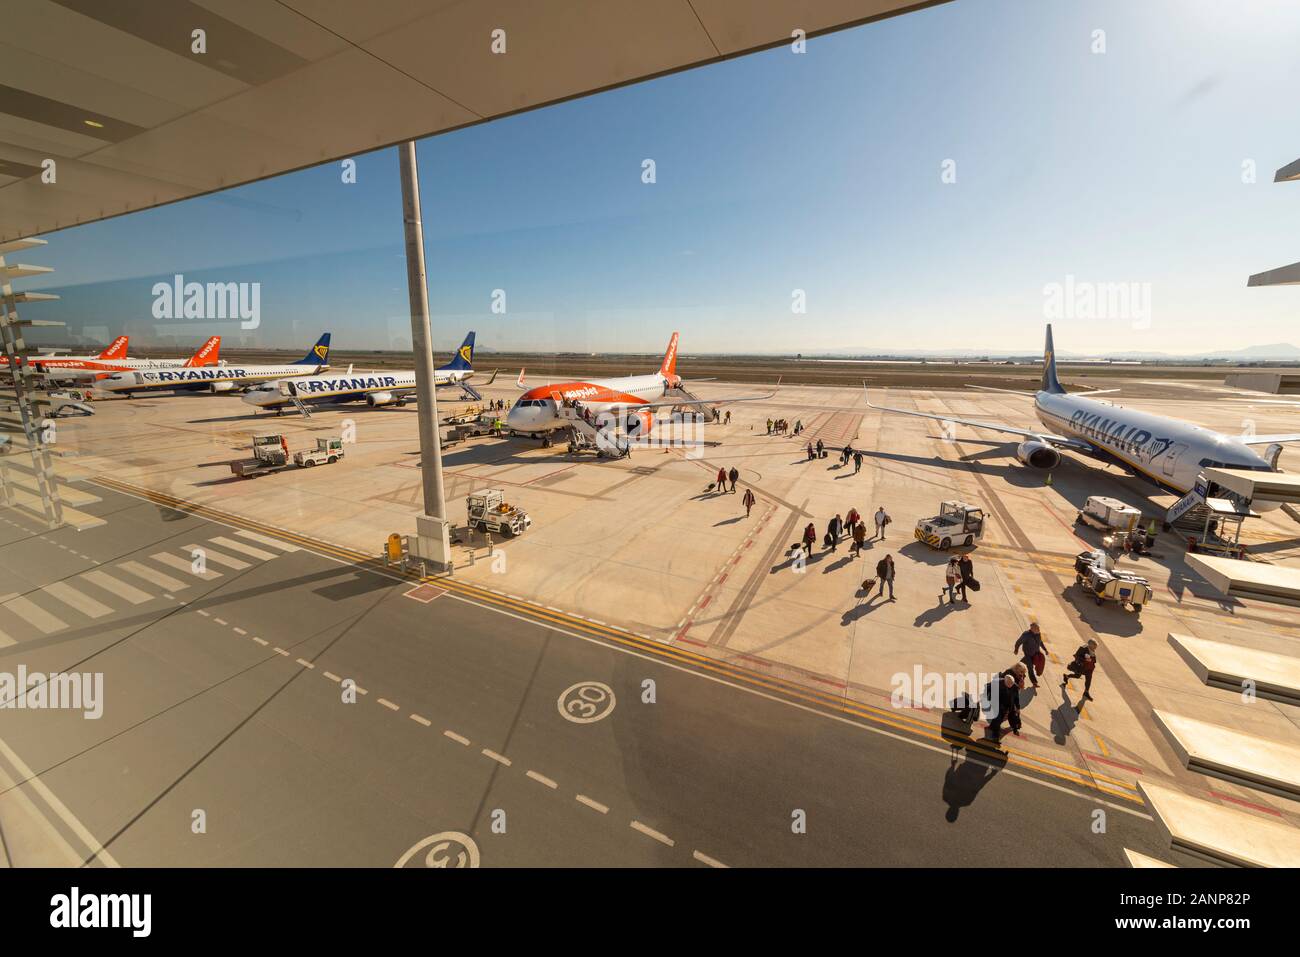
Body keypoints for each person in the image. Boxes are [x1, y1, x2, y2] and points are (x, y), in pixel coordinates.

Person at [986, 667, 1024, 742]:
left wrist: (1018, 707)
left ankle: (1015, 729)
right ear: (1004, 681)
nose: (1010, 686)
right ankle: (995, 735)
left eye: (1011, 685)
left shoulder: (1015, 687)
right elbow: (987, 688)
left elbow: (1016, 698)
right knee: (998, 718)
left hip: (1009, 704)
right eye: (1008, 685)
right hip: (998, 703)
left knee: (1014, 716)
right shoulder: (997, 682)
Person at [1013, 623, 1048, 688]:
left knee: (1020, 665)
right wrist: (1016, 649)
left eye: (1038, 628)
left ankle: (1014, 672)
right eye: (1037, 629)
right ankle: (1034, 682)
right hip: (1028, 654)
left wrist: (1045, 649)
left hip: (1035, 654)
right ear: (1032, 629)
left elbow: (1040, 642)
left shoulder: (1038, 634)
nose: (1039, 630)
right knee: (1030, 668)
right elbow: (1019, 642)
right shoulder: (1026, 635)